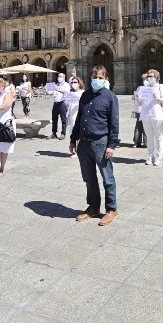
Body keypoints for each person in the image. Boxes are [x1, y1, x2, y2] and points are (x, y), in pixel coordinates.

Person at [70, 66, 120, 226]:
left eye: (100, 77)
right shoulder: (85, 95)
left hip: (101, 142)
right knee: (89, 178)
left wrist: (112, 145)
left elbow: (114, 123)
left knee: (107, 177)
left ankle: (112, 209)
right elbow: (79, 119)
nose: (96, 80)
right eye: (94, 77)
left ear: (105, 78)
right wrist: (73, 139)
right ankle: (93, 207)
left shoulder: (110, 97)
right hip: (84, 143)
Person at [138, 69, 163, 166]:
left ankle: (159, 158)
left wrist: (158, 98)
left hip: (156, 113)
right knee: (149, 137)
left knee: (158, 137)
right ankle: (150, 156)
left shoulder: (160, 87)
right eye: (148, 77)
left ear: (156, 77)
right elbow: (139, 103)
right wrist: (139, 99)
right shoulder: (144, 88)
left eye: (152, 76)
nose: (149, 78)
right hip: (146, 113)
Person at [64, 75, 85, 157]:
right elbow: (67, 103)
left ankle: (79, 151)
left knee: (79, 133)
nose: (73, 84)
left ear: (79, 83)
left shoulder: (83, 92)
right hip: (71, 115)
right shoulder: (70, 93)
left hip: (78, 114)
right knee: (73, 132)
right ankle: (75, 150)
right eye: (72, 82)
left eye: (75, 82)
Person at [50, 73, 71, 139]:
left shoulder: (66, 85)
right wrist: (48, 89)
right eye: (58, 76)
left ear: (64, 77)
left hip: (62, 103)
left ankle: (63, 133)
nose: (59, 78)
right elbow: (51, 93)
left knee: (63, 119)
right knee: (54, 119)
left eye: (60, 76)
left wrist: (57, 89)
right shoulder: (57, 84)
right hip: (55, 103)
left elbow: (66, 92)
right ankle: (54, 133)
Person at [132, 73, 148, 148]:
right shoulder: (141, 88)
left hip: (141, 109)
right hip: (143, 109)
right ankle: (144, 142)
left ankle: (138, 142)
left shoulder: (139, 88)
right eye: (145, 79)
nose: (146, 81)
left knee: (139, 125)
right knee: (143, 125)